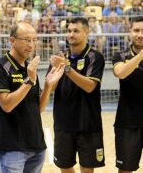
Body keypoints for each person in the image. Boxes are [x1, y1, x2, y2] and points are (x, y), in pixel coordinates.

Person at [0, 22, 65, 173]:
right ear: (12, 40)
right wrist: (29, 81)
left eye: (34, 40)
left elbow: (40, 108)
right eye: (27, 40)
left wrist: (48, 85)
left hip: (37, 146)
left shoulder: (29, 68)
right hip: (13, 147)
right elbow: (6, 105)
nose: (31, 45)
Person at [49, 17, 105, 173]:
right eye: (69, 31)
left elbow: (89, 86)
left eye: (76, 31)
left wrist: (67, 69)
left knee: (87, 168)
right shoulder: (60, 58)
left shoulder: (95, 57)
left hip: (88, 123)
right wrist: (55, 73)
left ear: (86, 32)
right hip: (63, 122)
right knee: (64, 166)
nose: (71, 34)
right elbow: (51, 87)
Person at [112, 16, 143, 173]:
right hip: (127, 122)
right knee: (125, 169)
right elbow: (121, 73)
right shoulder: (121, 55)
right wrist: (140, 57)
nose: (140, 34)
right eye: (136, 30)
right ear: (130, 32)